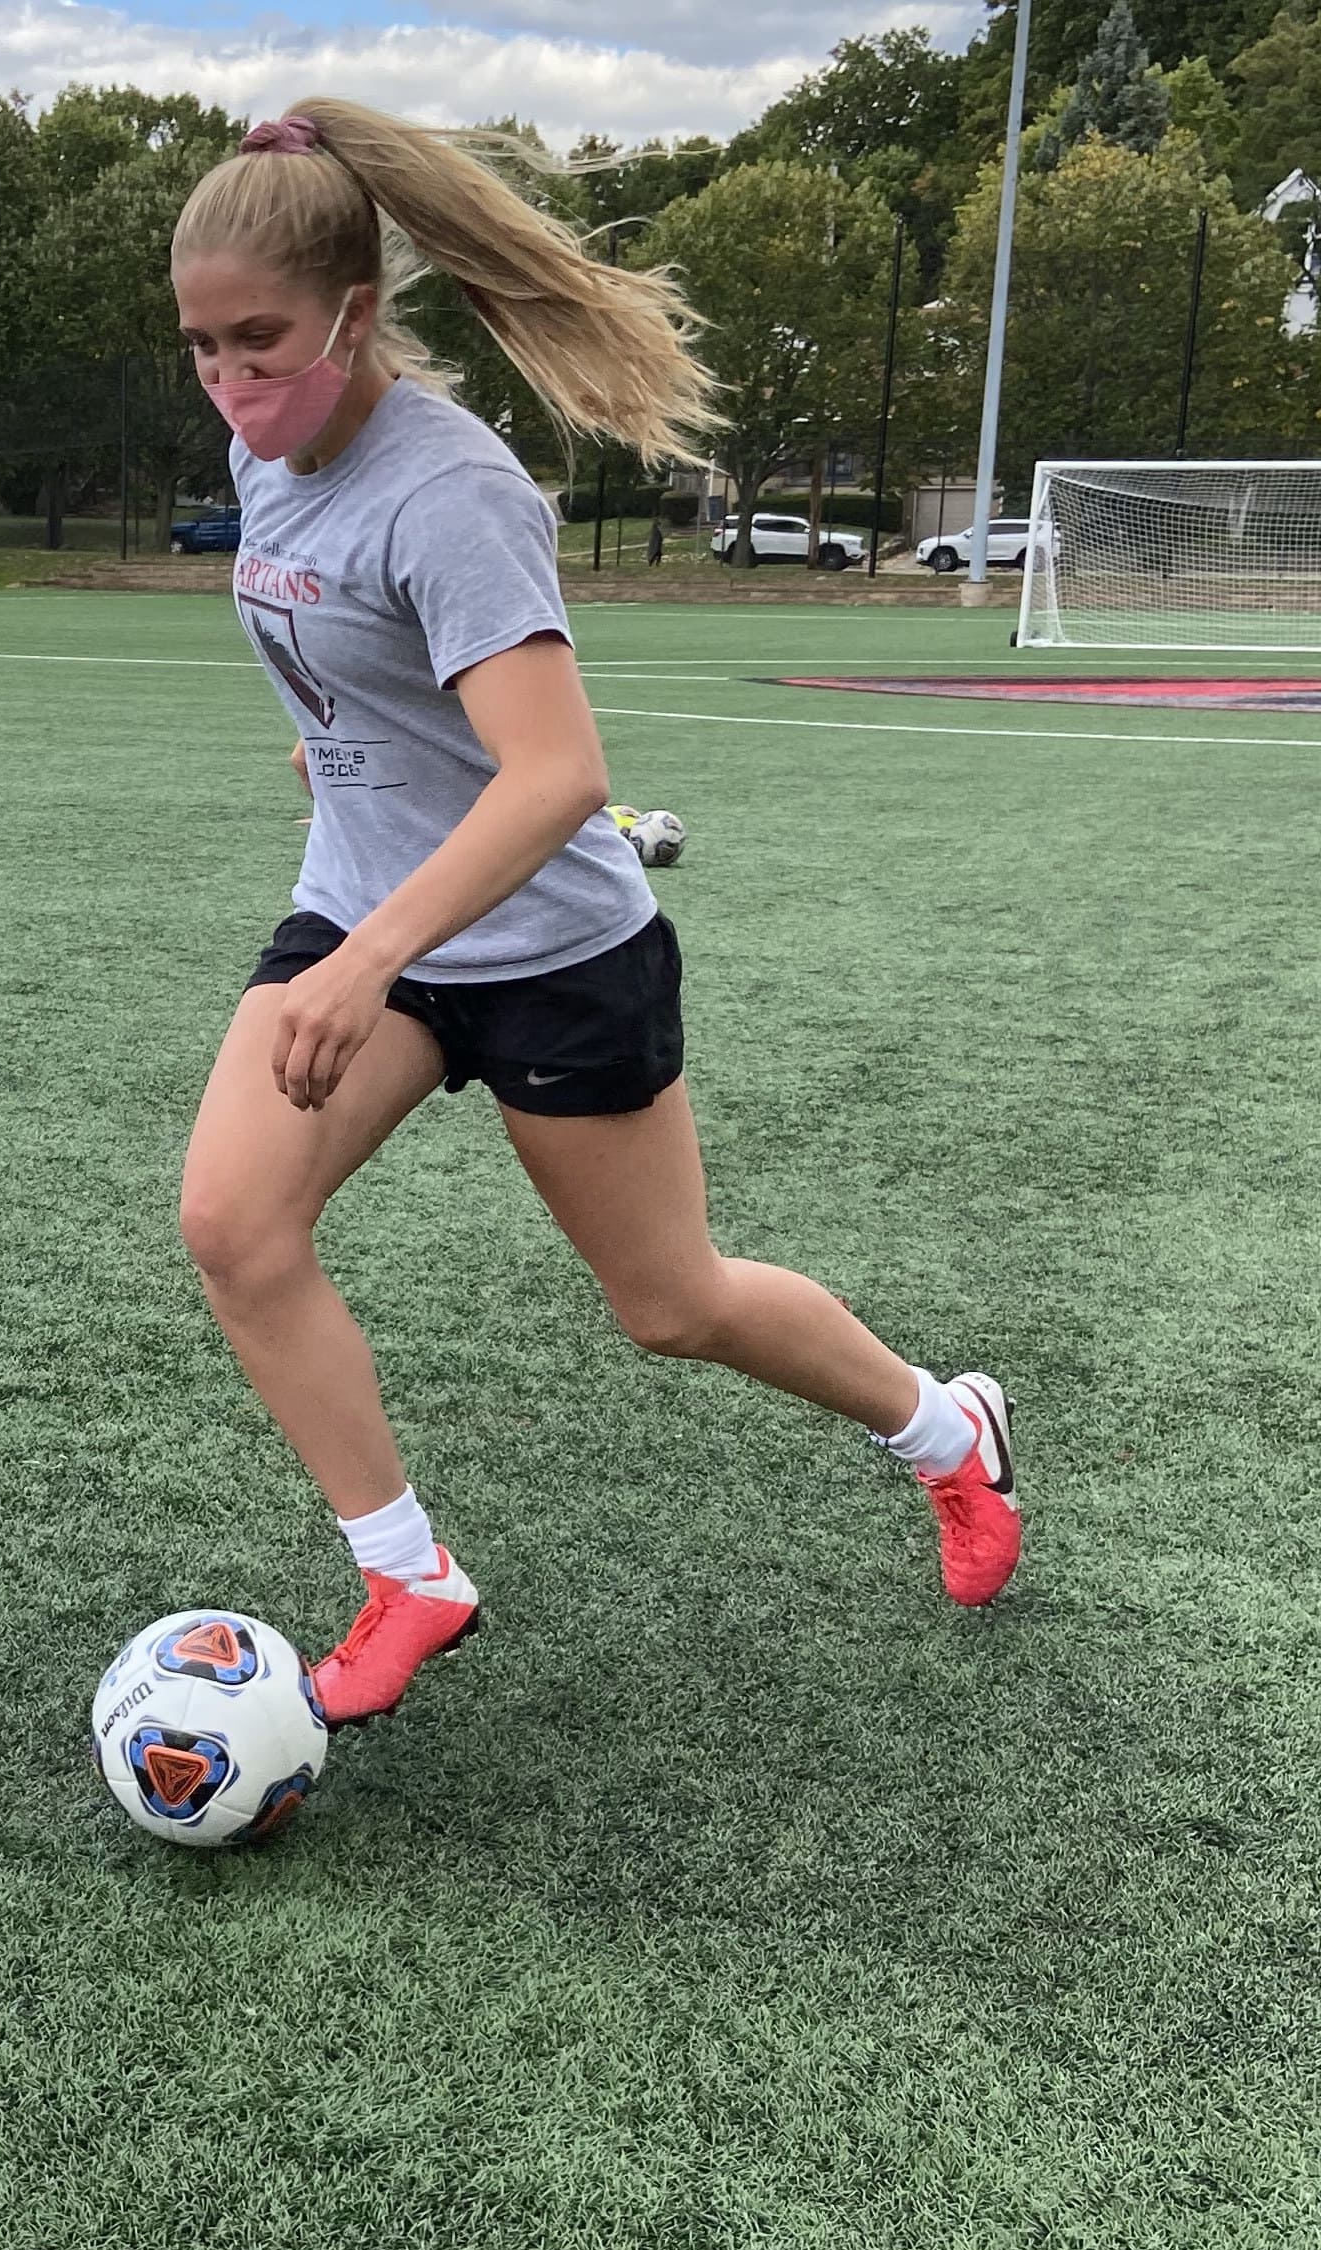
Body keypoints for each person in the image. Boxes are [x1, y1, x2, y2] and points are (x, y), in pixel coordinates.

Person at [171, 100, 1020, 1724]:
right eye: (201, 347)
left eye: (257, 342)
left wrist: (372, 956)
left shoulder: (453, 492)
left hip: (551, 949)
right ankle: (408, 1574)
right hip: (375, 914)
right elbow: (367, 660)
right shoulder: (259, 451)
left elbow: (557, 773)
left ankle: (944, 1430)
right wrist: (344, 750)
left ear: (354, 313)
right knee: (233, 1221)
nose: (228, 381)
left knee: (671, 1303)